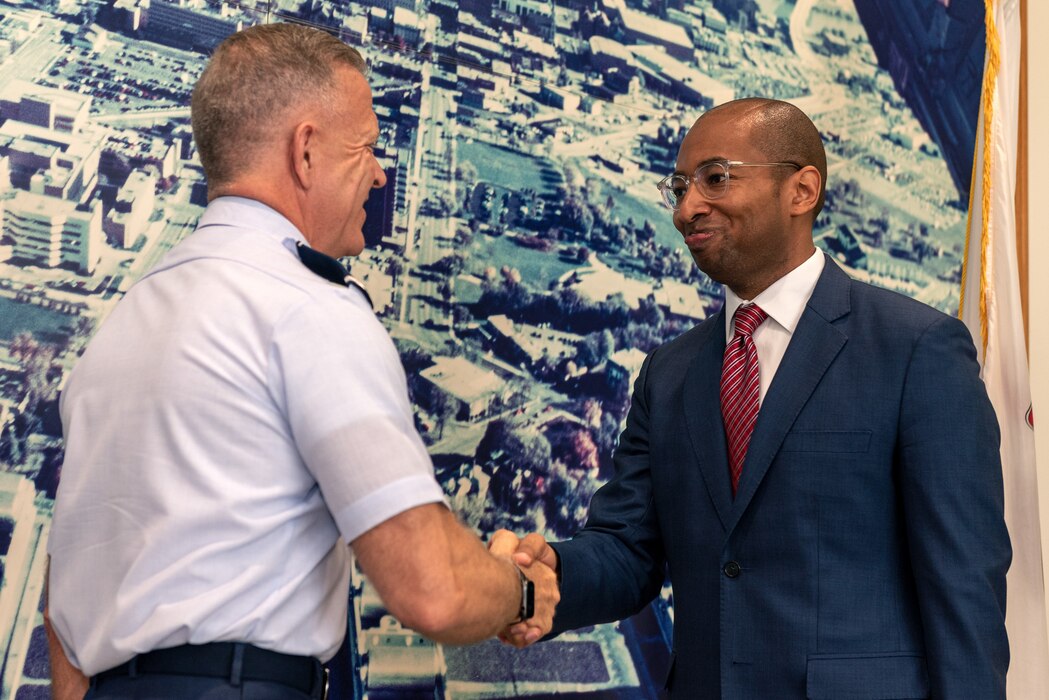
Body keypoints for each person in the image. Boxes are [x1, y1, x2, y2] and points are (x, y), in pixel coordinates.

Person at [45, 22, 557, 700]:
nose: (378, 172)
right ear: (307, 151)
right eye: (366, 146)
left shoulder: (126, 324)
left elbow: (63, 609)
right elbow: (434, 589)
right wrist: (520, 590)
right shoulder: (306, 310)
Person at [496, 97, 1010, 698]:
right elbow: (627, 550)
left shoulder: (917, 350)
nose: (688, 208)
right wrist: (552, 576)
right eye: (680, 187)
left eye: (715, 178)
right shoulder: (669, 373)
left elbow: (963, 592)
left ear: (802, 190)